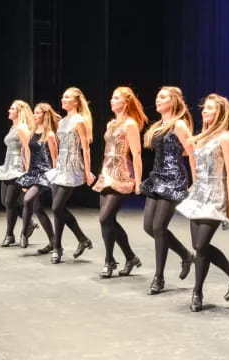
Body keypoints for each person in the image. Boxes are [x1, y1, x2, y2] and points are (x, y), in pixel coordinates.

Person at [177, 94, 229, 312]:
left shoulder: (224, 138)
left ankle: (200, 290)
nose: (205, 112)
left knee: (200, 246)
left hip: (216, 195)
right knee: (200, 247)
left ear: (220, 113)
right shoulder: (201, 137)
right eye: (204, 108)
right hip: (198, 194)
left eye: (210, 109)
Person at [141, 86, 196, 295]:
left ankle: (159, 277)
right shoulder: (159, 125)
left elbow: (191, 154)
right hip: (157, 177)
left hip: (173, 180)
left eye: (162, 97)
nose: (157, 100)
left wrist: (195, 182)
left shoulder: (179, 125)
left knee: (158, 227)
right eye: (157, 97)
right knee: (149, 226)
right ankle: (185, 254)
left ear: (173, 101)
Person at [92, 87, 147, 278]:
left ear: (126, 102)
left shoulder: (130, 124)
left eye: (116, 98)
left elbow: (137, 153)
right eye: (111, 98)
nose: (111, 101)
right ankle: (130, 257)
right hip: (107, 172)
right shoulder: (111, 124)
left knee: (105, 218)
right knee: (109, 220)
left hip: (122, 173)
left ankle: (109, 261)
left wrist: (138, 181)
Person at [45, 87, 95, 264]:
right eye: (62, 96)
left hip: (72, 165)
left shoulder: (79, 120)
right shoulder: (62, 121)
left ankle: (68, 243)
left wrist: (87, 171)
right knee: (57, 209)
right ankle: (68, 244)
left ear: (76, 101)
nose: (63, 99)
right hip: (60, 165)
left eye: (67, 97)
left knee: (58, 207)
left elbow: (86, 148)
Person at [0, 100, 36, 246]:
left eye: (12, 109)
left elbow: (27, 150)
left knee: (10, 202)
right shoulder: (13, 127)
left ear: (19, 112)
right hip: (8, 166)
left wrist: (27, 172)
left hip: (18, 168)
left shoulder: (22, 128)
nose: (9, 111)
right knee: (5, 201)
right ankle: (29, 222)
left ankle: (9, 235)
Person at [16, 103, 59, 250]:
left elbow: (54, 158)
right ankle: (53, 241)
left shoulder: (50, 135)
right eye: (34, 113)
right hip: (32, 171)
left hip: (44, 173)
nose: (34, 115)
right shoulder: (32, 132)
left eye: (37, 113)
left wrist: (54, 179)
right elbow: (28, 152)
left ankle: (24, 233)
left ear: (45, 115)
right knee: (37, 208)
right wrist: (26, 172)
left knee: (27, 200)